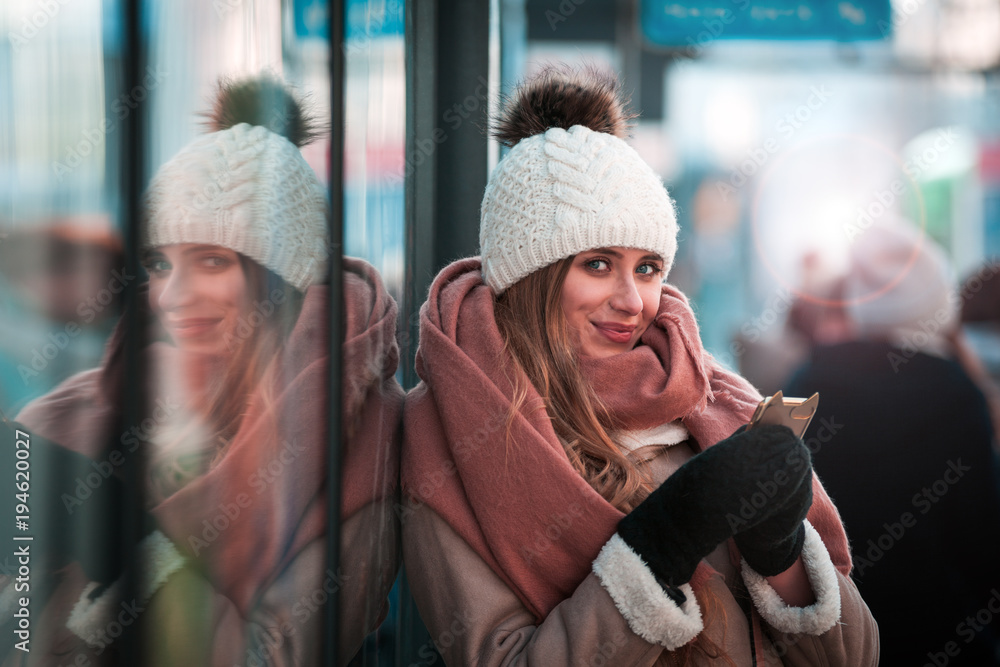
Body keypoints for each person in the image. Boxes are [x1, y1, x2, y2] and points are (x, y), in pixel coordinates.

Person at [401, 66, 879, 666]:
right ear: (530, 277)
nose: (633, 301)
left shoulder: (710, 398)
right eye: (598, 264)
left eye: (648, 267)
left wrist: (778, 549)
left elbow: (855, 656)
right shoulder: (451, 427)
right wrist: (659, 544)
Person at [0, 75, 402, 666]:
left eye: (213, 261)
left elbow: (275, 655)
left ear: (282, 278)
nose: (173, 296)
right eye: (162, 264)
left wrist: (134, 552)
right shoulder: (78, 409)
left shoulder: (351, 424)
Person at [786, 219, 1000, 666]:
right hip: (943, 634)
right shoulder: (955, 391)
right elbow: (982, 541)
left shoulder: (806, 384)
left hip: (835, 641)